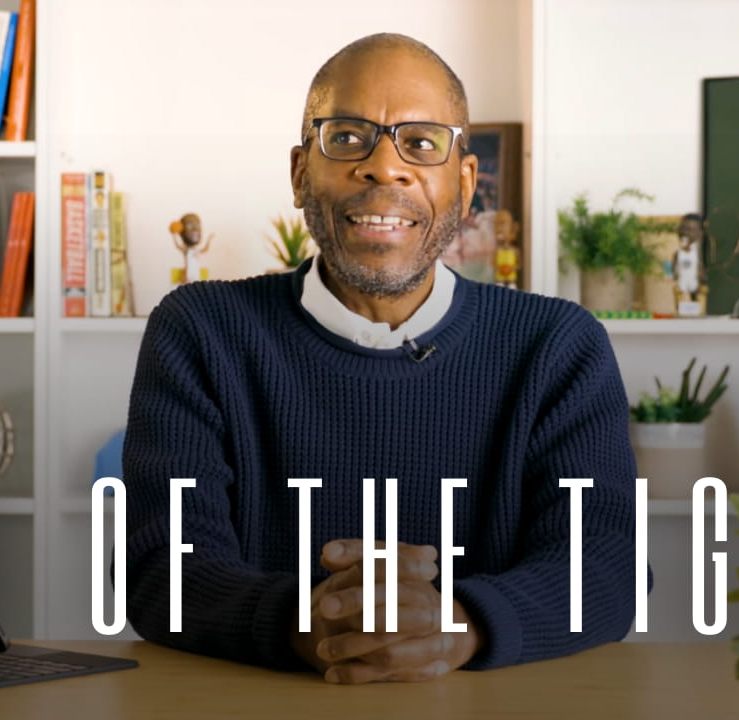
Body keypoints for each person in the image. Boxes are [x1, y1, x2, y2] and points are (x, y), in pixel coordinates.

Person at [123, 33, 638, 685]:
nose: (384, 167)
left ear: (466, 184)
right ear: (300, 173)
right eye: (346, 137)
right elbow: (162, 569)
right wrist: (312, 622)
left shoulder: (557, 345)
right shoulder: (201, 331)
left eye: (420, 143)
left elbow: (607, 566)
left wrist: (457, 626)